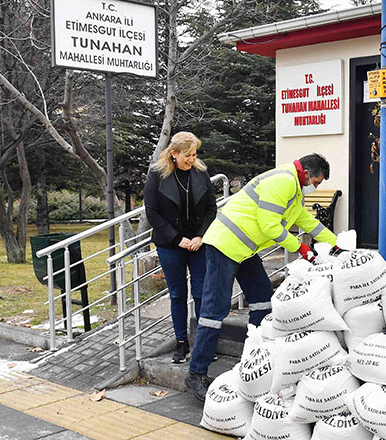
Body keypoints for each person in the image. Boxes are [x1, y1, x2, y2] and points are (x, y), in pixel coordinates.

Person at [184, 153, 338, 401]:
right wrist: (301, 249)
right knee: (214, 312)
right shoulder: (283, 181)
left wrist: (338, 245)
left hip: (245, 250)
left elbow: (309, 222)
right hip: (225, 245)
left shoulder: (295, 191)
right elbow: (270, 226)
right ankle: (196, 374)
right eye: (316, 182)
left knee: (264, 302)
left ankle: (252, 362)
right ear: (307, 173)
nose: (315, 187)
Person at [143, 132, 217, 364]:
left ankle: (203, 344)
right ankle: (181, 343)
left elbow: (211, 209)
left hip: (198, 243)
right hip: (170, 244)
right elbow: (152, 212)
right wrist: (177, 239)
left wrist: (200, 236)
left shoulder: (200, 172)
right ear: (174, 153)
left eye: (194, 154)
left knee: (201, 294)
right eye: (187, 155)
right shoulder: (157, 175)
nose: (192, 159)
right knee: (177, 294)